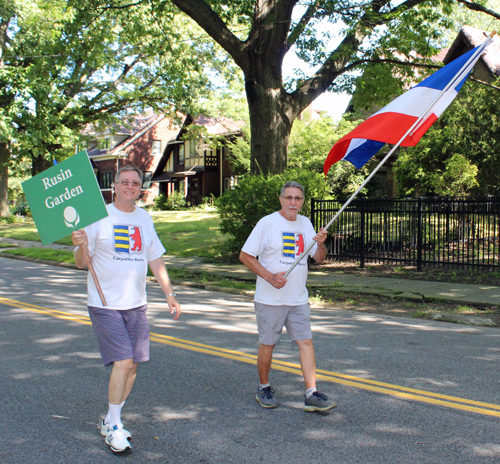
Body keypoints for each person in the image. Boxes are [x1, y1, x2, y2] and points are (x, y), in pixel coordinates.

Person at [72, 165, 181, 453]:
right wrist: (78, 245)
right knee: (122, 361)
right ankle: (115, 424)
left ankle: (110, 418)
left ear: (139, 188)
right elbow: (82, 262)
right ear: (115, 186)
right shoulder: (99, 216)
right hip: (105, 303)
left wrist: (169, 293)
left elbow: (155, 259)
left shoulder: (144, 218)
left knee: (133, 364)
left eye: (135, 182)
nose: (129, 186)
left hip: (136, 304)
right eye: (124, 182)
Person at [239, 181, 336, 412]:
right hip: (270, 299)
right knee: (268, 344)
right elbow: (245, 255)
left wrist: (321, 244)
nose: (293, 202)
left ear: (302, 202)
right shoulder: (268, 223)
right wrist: (270, 276)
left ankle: (311, 393)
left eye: (298, 198)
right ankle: (264, 387)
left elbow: (319, 258)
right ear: (281, 199)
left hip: (298, 298)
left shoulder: (306, 223)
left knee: (306, 342)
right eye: (289, 197)